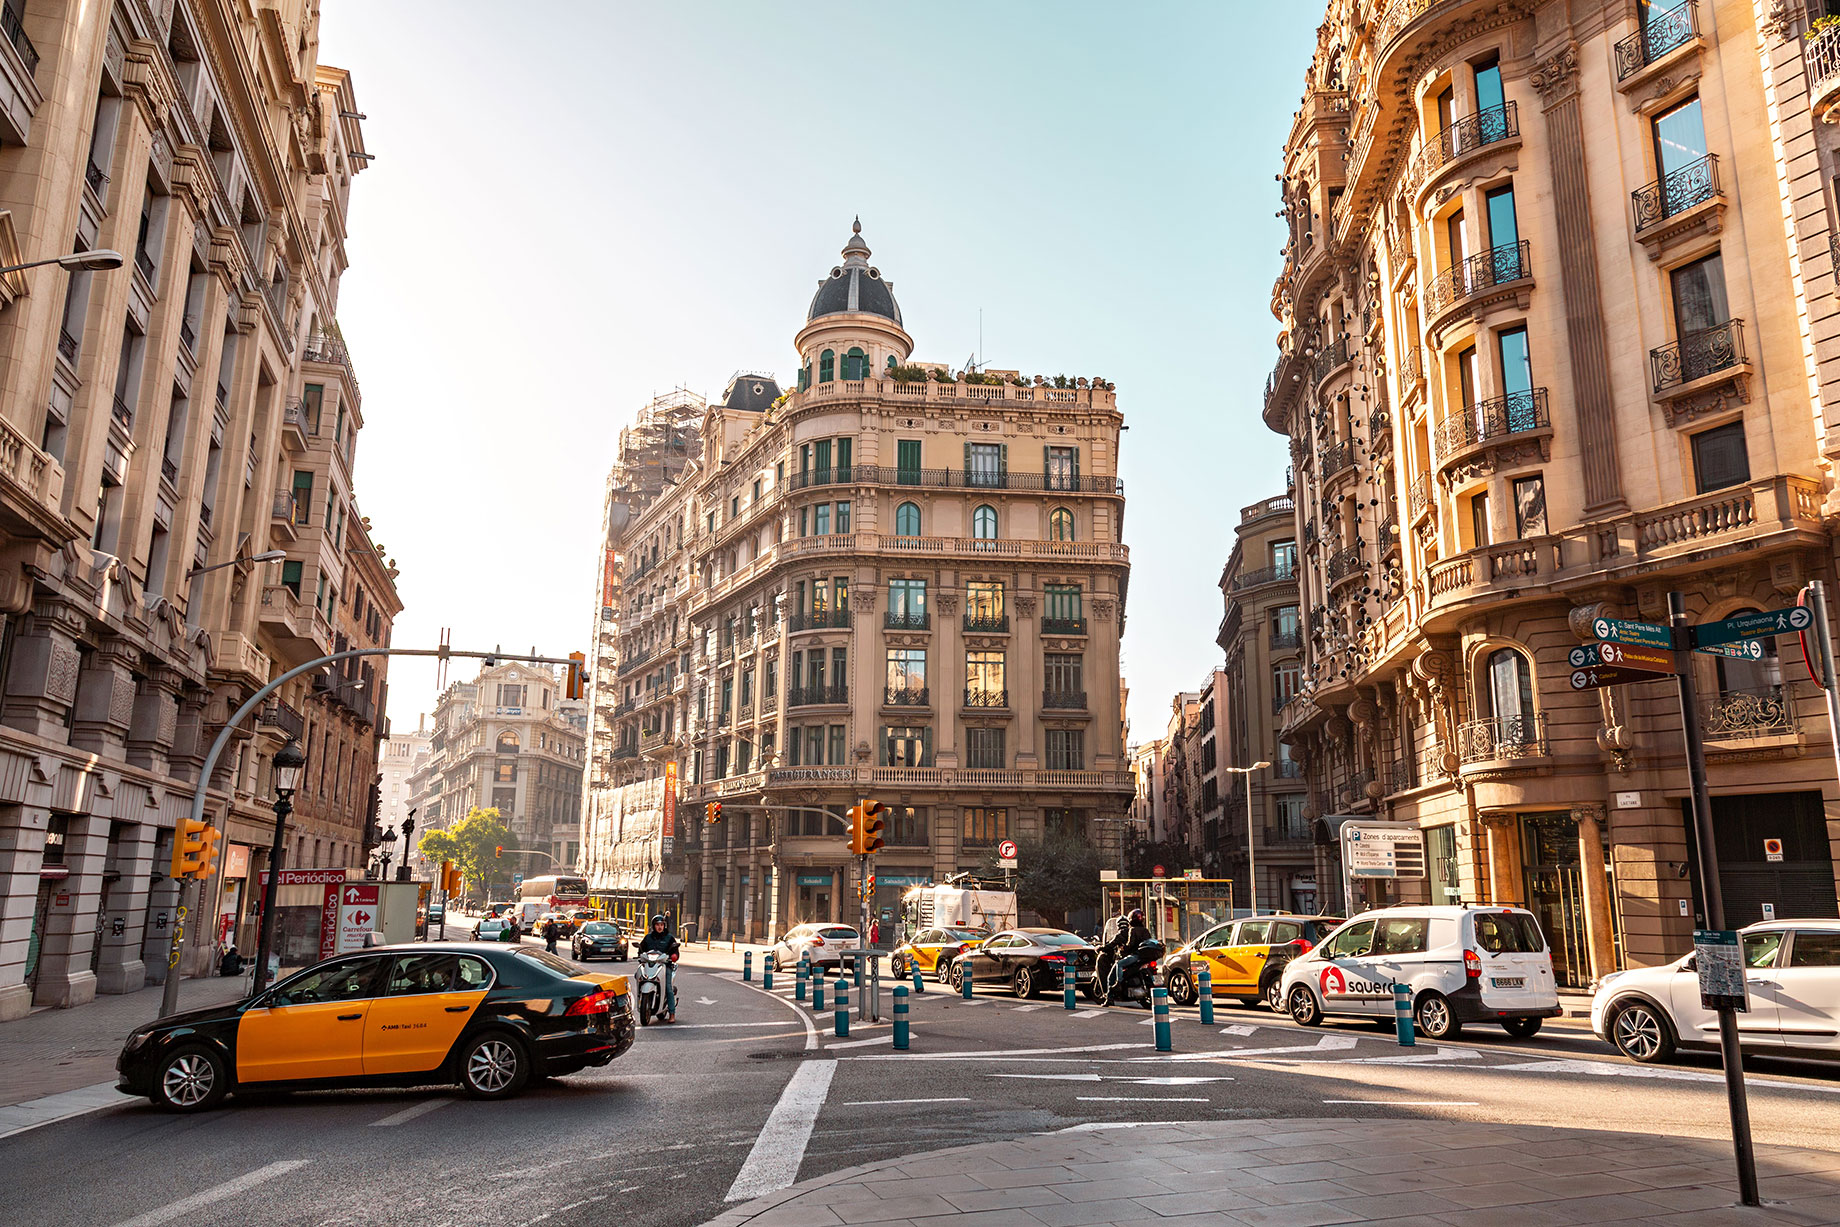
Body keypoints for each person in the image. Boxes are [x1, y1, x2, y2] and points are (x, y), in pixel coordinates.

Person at [636, 914, 681, 1022]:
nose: (660, 927)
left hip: (665, 965)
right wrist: (640, 954)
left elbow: (676, 952)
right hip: (650, 964)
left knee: (668, 988)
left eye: (661, 924)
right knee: (638, 975)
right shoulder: (648, 937)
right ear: (653, 926)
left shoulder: (669, 938)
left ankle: (672, 1013)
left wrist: (673, 956)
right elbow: (641, 949)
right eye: (657, 925)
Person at [1107, 908, 1153, 994]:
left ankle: (1118, 983)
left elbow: (1130, 944)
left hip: (1137, 955)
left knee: (1119, 964)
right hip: (1145, 957)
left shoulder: (1133, 930)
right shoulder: (1145, 930)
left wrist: (1124, 948)